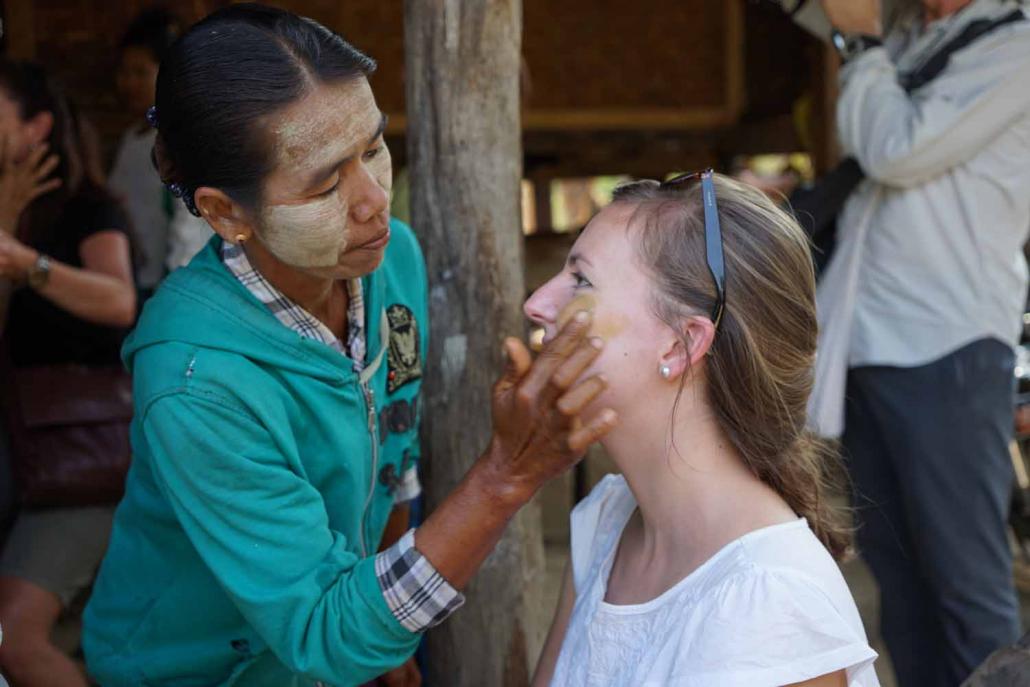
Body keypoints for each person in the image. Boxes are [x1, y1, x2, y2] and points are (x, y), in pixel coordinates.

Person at [81, 5, 615, 686]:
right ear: (224, 213)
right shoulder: (196, 383)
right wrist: (506, 476)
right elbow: (322, 630)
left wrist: (389, 645)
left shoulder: (393, 266)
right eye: (326, 182)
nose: (372, 201)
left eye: (373, 147)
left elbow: (392, 446)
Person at [529, 171, 879, 686]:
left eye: (581, 280)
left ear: (681, 344)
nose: (537, 303)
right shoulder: (607, 519)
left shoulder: (772, 604)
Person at [810, 0, 1030, 684]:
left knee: (966, 584)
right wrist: (870, 42)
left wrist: (865, 42)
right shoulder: (909, 40)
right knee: (898, 583)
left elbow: (895, 150)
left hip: (950, 343)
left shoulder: (1015, 46)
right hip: (866, 343)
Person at [0, 61, 136, 687]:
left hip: (79, 462)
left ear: (37, 129)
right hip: (23, 460)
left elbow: (118, 300)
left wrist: (27, 263)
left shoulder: (89, 209)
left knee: (16, 635)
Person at [110, 7, 210, 303]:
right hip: (136, 279)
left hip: (172, 284)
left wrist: (173, 290)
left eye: (140, 72)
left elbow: (187, 227)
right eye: (124, 72)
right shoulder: (131, 139)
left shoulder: (181, 141)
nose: (128, 83)